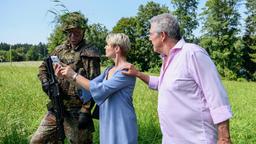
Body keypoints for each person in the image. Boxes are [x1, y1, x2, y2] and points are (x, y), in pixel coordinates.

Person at [122, 13, 233, 144]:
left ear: (162, 35)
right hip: (172, 139)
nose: (149, 38)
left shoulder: (192, 53)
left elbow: (216, 95)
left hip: (197, 139)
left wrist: (224, 138)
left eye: (151, 34)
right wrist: (138, 74)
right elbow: (165, 84)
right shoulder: (167, 58)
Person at [30, 11, 100, 144]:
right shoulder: (59, 49)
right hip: (58, 106)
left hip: (78, 110)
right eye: (70, 32)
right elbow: (44, 67)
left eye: (76, 32)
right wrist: (45, 82)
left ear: (83, 31)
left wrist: (86, 110)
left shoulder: (89, 52)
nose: (73, 36)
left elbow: (94, 83)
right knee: (37, 141)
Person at [56, 33, 138, 144]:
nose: (105, 47)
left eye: (107, 45)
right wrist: (67, 76)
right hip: (108, 119)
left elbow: (100, 89)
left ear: (117, 48)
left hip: (121, 121)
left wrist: (74, 75)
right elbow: (89, 86)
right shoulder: (109, 70)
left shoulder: (126, 70)